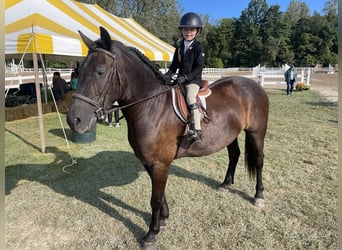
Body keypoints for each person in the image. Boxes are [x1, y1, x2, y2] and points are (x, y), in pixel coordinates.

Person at [164, 12, 205, 142]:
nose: (189, 32)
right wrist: (167, 75)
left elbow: (199, 67)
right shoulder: (179, 47)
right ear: (182, 31)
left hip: (193, 80)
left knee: (189, 96)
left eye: (192, 29)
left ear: (197, 31)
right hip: (180, 79)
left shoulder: (199, 47)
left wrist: (186, 77)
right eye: (186, 29)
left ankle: (197, 130)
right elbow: (174, 65)